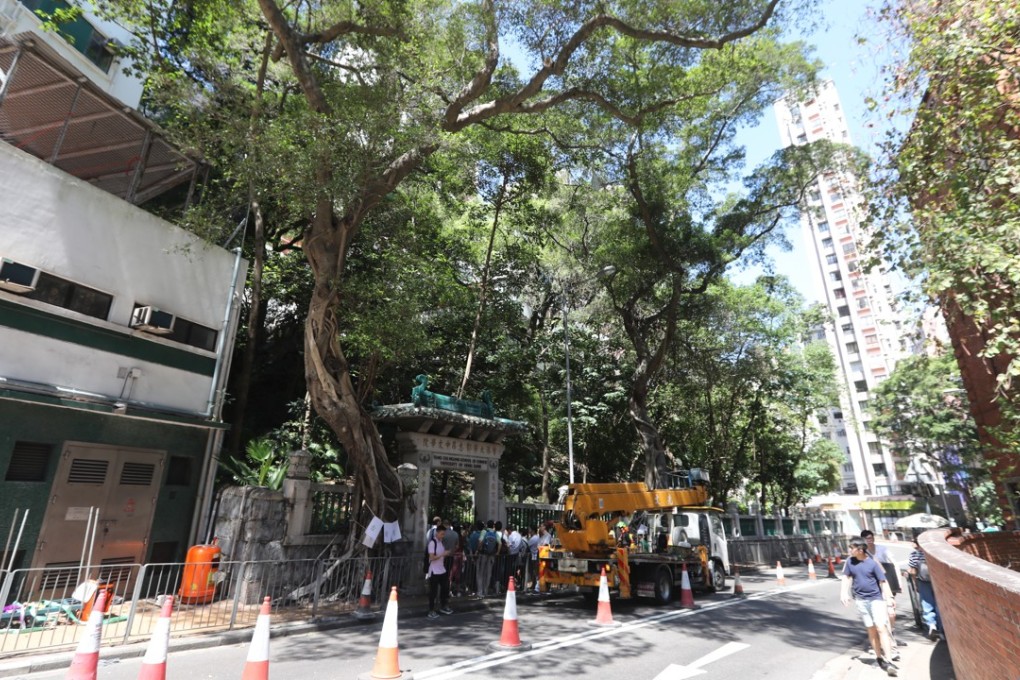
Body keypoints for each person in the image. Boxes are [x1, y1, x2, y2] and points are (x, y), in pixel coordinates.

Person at [841, 538, 899, 677]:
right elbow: (846, 577)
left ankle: (889, 660)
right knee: (871, 628)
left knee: (881, 627)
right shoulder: (850, 561)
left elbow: (883, 582)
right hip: (861, 600)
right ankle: (879, 657)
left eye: (851, 548)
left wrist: (890, 598)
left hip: (876, 599)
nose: (849, 550)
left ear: (860, 549)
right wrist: (844, 593)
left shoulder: (872, 563)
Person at [861, 529, 900, 656]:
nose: (869, 540)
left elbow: (892, 565)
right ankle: (889, 646)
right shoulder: (861, 555)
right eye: (866, 538)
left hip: (885, 582)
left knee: (890, 614)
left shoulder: (881, 551)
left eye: (871, 538)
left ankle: (890, 637)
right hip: (872, 589)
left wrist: (897, 583)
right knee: (880, 619)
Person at [906, 536, 942, 640]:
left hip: (923, 581)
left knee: (927, 604)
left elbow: (913, 571)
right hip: (936, 581)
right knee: (938, 604)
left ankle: (932, 626)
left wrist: (915, 582)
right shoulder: (933, 552)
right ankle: (941, 629)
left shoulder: (914, 554)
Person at [426, 525, 454, 619]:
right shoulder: (432, 543)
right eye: (442, 534)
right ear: (437, 533)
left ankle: (443, 606)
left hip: (441, 569)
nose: (443, 536)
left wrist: (445, 554)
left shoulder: (440, 542)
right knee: (433, 591)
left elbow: (440, 556)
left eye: (444, 534)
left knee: (445, 589)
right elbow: (432, 557)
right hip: (434, 570)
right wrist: (443, 554)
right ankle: (431, 610)